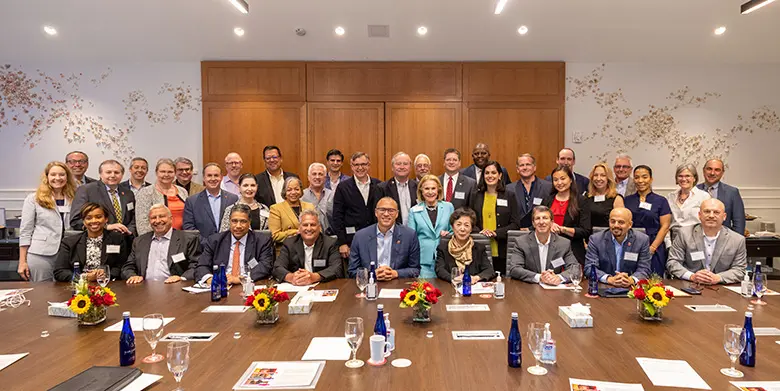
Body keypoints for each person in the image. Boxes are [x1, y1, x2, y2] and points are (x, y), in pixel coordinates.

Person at [18, 161, 77, 281]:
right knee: (42, 293)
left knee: (68, 292)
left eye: (62, 174)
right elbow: (25, 232)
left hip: (69, 253)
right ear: (47, 177)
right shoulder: (33, 199)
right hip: (41, 254)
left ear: (67, 177)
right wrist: (22, 261)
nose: (57, 178)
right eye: (53, 174)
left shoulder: (75, 197)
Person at [666, 199, 746, 284]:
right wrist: (692, 276)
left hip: (722, 288)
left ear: (724, 216)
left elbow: (740, 270)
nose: (711, 216)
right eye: (707, 211)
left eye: (716, 212)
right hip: (690, 285)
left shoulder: (737, 240)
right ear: (699, 215)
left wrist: (718, 278)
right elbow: (673, 262)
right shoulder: (684, 234)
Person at [195, 204, 274, 284]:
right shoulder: (215, 240)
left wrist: (241, 279)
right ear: (229, 221)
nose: (238, 226)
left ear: (249, 222)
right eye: (234, 221)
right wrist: (210, 279)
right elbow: (202, 265)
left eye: (243, 221)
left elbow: (265, 266)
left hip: (248, 285)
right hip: (221, 285)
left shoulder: (262, 240)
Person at [122, 204, 200, 283]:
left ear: (171, 219)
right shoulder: (139, 241)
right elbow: (128, 267)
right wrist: (132, 276)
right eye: (153, 218)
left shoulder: (187, 239)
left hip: (175, 288)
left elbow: (196, 265)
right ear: (149, 221)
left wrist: (182, 278)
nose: (158, 221)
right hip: (144, 289)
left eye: (162, 216)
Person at [347, 197, 421, 279]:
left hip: (398, 285)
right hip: (370, 285)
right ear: (376, 212)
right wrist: (372, 274)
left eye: (391, 210)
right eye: (382, 210)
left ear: (397, 214)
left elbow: (415, 270)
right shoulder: (360, 236)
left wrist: (395, 273)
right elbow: (352, 271)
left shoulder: (409, 235)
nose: (386, 214)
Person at [469, 161, 521, 275]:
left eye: (493, 172)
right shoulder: (475, 195)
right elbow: (470, 221)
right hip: (480, 248)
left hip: (503, 249)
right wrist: (480, 232)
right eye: (487, 173)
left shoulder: (509, 195)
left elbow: (515, 224)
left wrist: (496, 233)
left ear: (500, 175)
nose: (490, 176)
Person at [54, 203, 128, 282]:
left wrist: (106, 273)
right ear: (84, 221)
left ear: (106, 219)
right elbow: (60, 272)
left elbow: (122, 267)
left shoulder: (117, 239)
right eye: (89, 218)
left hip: (108, 285)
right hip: (79, 288)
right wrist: (83, 277)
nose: (94, 221)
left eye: (98, 217)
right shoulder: (69, 242)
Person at [507, 206, 579, 285]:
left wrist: (558, 278)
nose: (541, 222)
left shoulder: (563, 244)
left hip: (554, 290)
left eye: (545, 218)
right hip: (529, 288)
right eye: (537, 218)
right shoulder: (521, 242)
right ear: (533, 223)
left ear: (551, 223)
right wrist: (539, 277)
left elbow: (575, 269)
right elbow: (515, 269)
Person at [332, 152, 383, 258]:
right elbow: (337, 217)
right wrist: (342, 243)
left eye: (363, 164)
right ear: (352, 166)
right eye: (356, 165)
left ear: (369, 165)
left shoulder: (379, 185)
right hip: (352, 240)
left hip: (377, 238)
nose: (360, 168)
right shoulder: (343, 187)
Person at [624, 165, 672, 276]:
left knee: (653, 281)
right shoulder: (627, 200)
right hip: (632, 246)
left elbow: (665, 226)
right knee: (630, 278)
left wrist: (652, 248)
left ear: (651, 179)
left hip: (654, 245)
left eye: (644, 177)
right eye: (637, 177)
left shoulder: (661, 201)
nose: (640, 181)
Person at [272, 209, 343, 285]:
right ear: (299, 227)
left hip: (322, 287)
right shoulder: (290, 243)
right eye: (305, 225)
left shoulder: (330, 243)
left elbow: (337, 268)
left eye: (313, 225)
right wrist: (291, 277)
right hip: (297, 287)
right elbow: (277, 267)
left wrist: (314, 277)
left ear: (319, 227)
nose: (309, 229)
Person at [584, 208, 652, 287]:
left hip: (631, 289)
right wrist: (609, 279)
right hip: (603, 287)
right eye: (613, 221)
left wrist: (631, 279)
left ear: (630, 224)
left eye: (621, 222)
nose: (616, 225)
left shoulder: (642, 240)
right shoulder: (596, 239)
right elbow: (590, 267)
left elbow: (644, 269)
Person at [70, 159, 136, 236]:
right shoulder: (87, 190)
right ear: (100, 174)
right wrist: (106, 227)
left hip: (125, 239)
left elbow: (133, 218)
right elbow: (75, 220)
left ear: (122, 175)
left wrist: (130, 231)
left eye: (117, 172)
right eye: (108, 172)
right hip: (98, 238)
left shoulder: (128, 193)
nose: (113, 175)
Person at [542, 165, 591, 266]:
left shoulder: (581, 201)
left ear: (571, 180)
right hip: (549, 251)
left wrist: (563, 229)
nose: (559, 183)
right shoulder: (547, 200)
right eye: (555, 180)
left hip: (573, 251)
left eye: (563, 178)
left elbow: (585, 230)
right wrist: (549, 225)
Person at [408, 175, 454, 278]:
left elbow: (454, 231)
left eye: (433, 188)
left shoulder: (448, 207)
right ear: (421, 191)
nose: (430, 192)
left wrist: (448, 234)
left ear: (438, 190)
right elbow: (411, 238)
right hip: (423, 261)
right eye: (426, 188)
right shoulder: (414, 210)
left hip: (445, 258)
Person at [183, 163, 239, 245]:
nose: (213, 179)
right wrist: (207, 243)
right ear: (203, 178)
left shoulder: (233, 199)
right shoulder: (192, 201)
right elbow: (189, 228)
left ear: (221, 177)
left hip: (228, 247)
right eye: (209, 175)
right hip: (202, 249)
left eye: (216, 175)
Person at [435, 207, 494, 283]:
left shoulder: (479, 248)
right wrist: (454, 279)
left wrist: (476, 278)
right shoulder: (443, 247)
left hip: (474, 289)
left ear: (471, 229)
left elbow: (489, 270)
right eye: (458, 224)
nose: (462, 229)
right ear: (452, 227)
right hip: (450, 288)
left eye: (466, 225)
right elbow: (439, 270)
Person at [135, 158, 188, 236]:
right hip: (158, 240)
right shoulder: (146, 193)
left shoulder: (182, 191)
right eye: (162, 171)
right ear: (156, 173)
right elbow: (142, 225)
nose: (166, 175)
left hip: (182, 238)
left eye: (170, 172)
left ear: (175, 173)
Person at [696, 159, 746, 235]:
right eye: (709, 169)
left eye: (717, 170)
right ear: (703, 170)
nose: (712, 173)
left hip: (724, 241)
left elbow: (739, 223)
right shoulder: (694, 191)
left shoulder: (732, 192)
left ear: (722, 173)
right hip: (697, 239)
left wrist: (734, 243)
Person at [667, 163, 711, 241]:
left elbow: (709, 221)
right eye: (680, 176)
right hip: (674, 239)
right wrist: (668, 244)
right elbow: (666, 223)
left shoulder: (704, 196)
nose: (683, 179)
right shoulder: (670, 197)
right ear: (676, 179)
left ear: (694, 178)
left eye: (687, 176)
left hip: (696, 239)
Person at [269, 177, 315, 247]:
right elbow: (274, 235)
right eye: (289, 190)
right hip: (286, 250)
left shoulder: (310, 206)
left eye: (296, 189)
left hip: (308, 248)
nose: (293, 192)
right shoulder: (276, 209)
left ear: (301, 191)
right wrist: (296, 232)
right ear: (284, 192)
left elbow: (318, 229)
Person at [511, 153, 552, 229]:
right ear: (517, 169)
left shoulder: (548, 187)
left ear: (534, 167)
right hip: (516, 232)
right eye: (521, 165)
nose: (525, 167)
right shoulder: (509, 189)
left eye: (528, 164)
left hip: (541, 231)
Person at [378, 152, 417, 225]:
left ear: (410, 167)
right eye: (398, 164)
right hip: (392, 231)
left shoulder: (418, 187)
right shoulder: (382, 188)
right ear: (392, 167)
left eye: (405, 164)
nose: (402, 167)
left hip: (415, 231)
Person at [584, 163, 624, 228]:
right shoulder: (586, 196)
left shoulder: (616, 198)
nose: (598, 178)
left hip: (607, 236)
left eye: (603, 175)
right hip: (588, 236)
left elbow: (620, 223)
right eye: (596, 175)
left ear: (608, 178)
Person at [301, 162, 334, 234]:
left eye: (320, 174)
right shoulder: (301, 196)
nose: (317, 177)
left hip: (329, 237)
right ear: (308, 177)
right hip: (308, 236)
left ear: (325, 178)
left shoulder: (333, 195)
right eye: (314, 174)